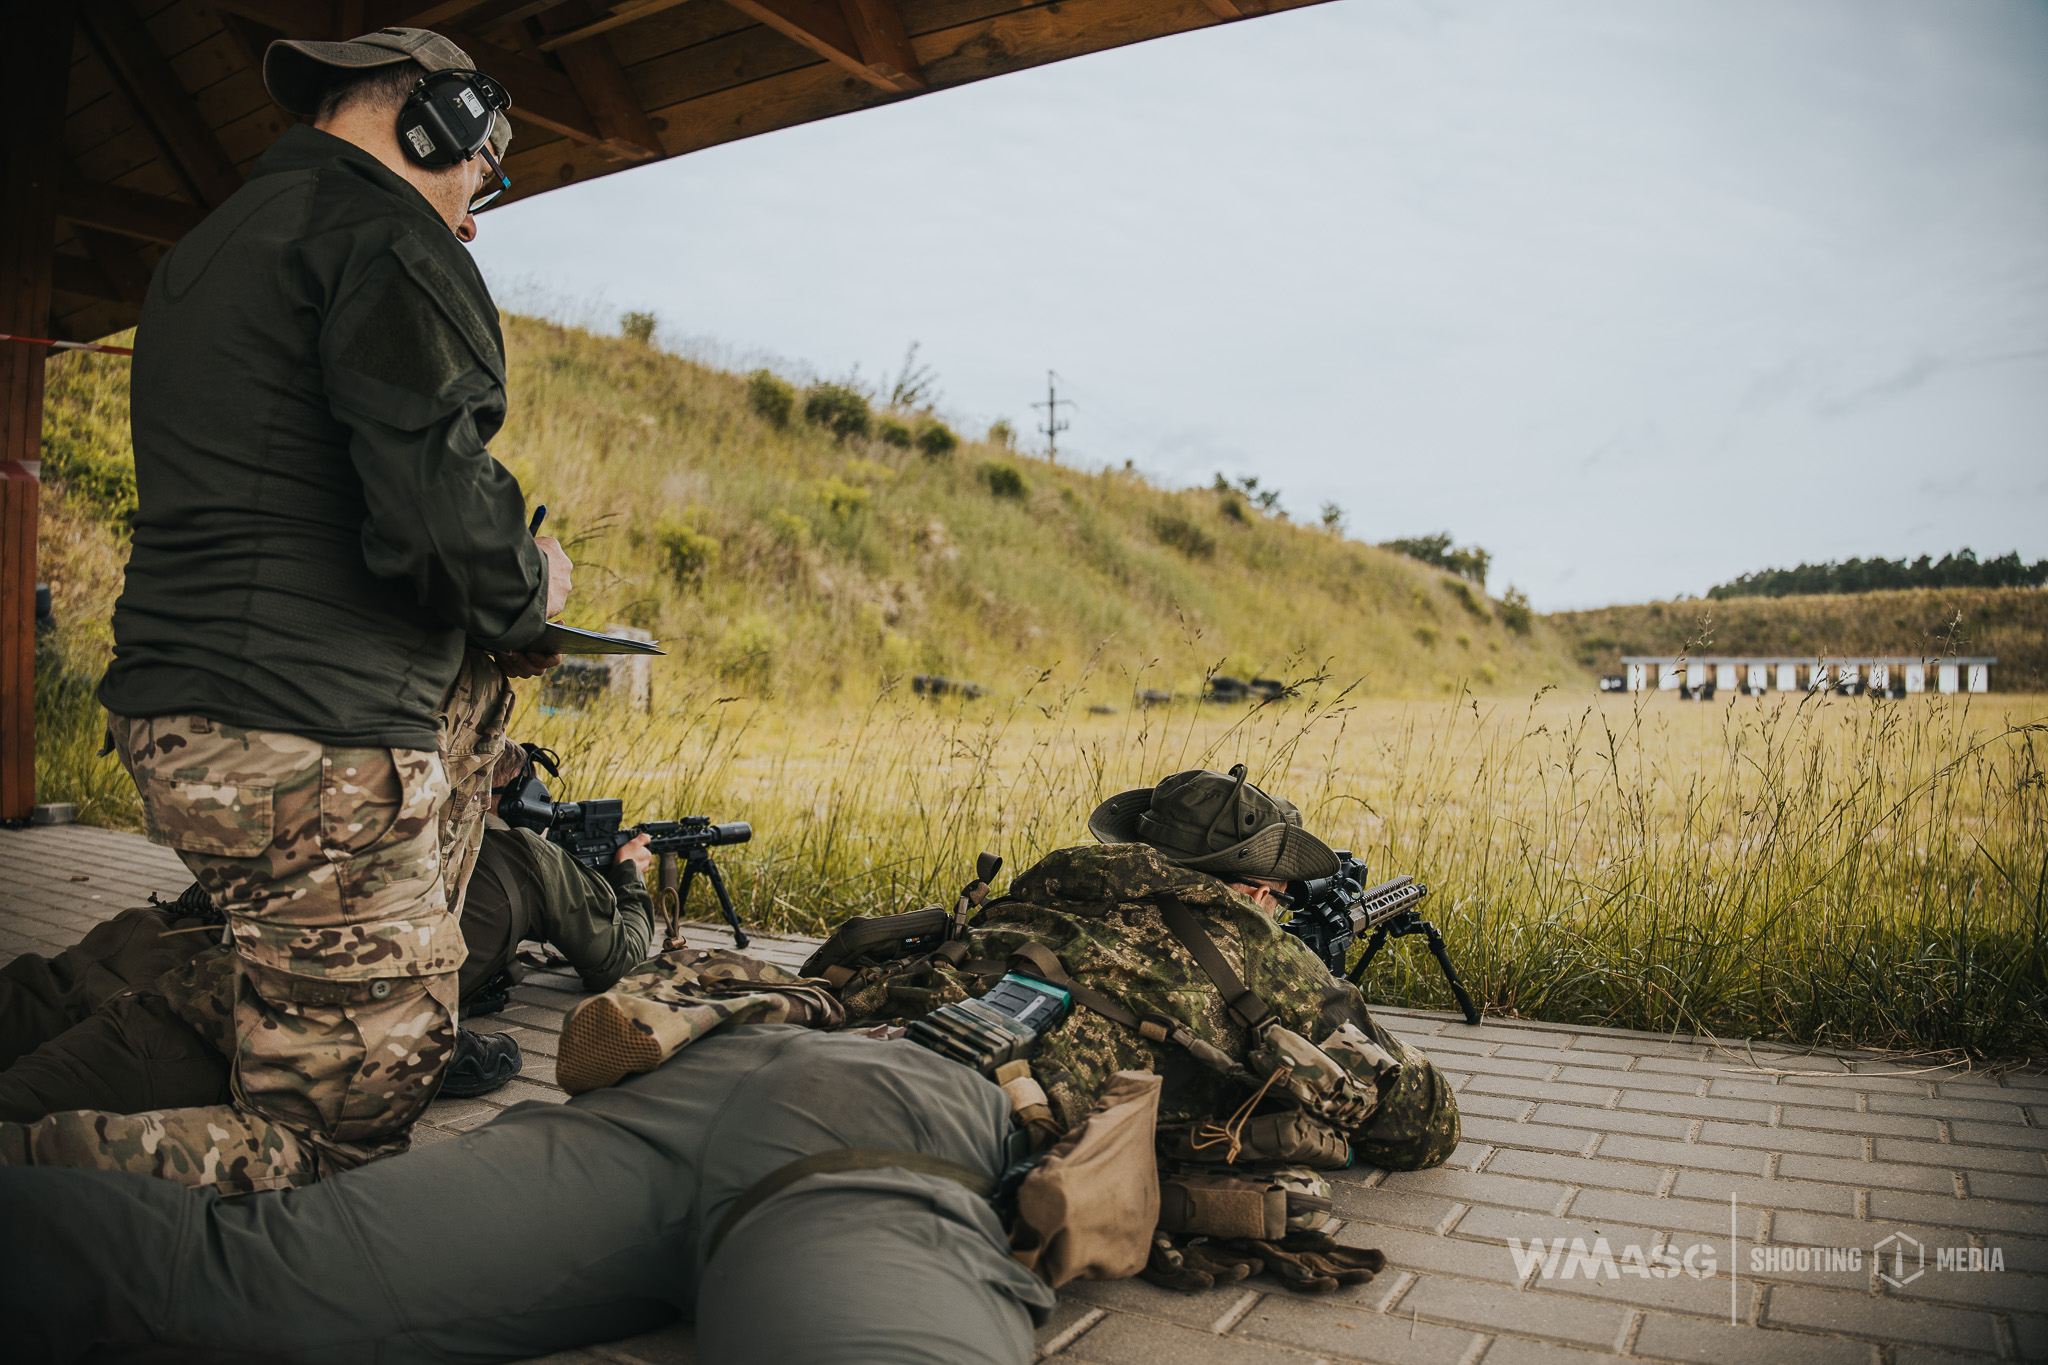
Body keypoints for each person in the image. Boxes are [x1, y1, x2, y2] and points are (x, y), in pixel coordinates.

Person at [60, 26, 570, 1193]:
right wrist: (529, 587)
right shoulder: (383, 236)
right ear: (431, 120)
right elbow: (438, 510)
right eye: (475, 174)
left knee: (286, 1017)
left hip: (193, 719)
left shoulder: (203, 252)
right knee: (330, 1144)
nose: (475, 214)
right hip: (307, 741)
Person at [840, 764, 1461, 1172]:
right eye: (1276, 892)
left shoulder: (1043, 891)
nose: (1278, 907)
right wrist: (1333, 999)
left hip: (867, 1054)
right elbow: (1425, 1123)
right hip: (975, 1139)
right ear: (1246, 890)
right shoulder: (1248, 941)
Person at [0, 819, 656, 1129]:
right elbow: (617, 953)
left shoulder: (362, 799)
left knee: (40, 1001)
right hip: (248, 1012)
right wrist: (627, 870)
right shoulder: (529, 858)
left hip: (166, 944)